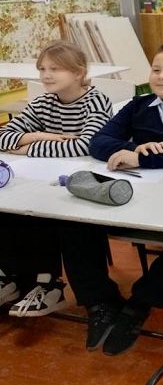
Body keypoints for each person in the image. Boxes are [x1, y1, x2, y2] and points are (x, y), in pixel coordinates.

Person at [59, 42, 163, 356]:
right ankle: (100, 301)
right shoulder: (138, 105)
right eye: (156, 69)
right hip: (139, 190)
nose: (162, 76)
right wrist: (131, 150)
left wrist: (144, 158)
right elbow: (99, 142)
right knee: (73, 221)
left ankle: (140, 303)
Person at [0, 41, 112, 317]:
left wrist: (25, 147)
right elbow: (3, 137)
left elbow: (84, 145)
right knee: (10, 209)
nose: (46, 75)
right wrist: (41, 135)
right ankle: (13, 278)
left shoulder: (96, 101)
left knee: (45, 215)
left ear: (78, 72)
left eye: (55, 69)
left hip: (78, 184)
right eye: (42, 69)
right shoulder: (43, 102)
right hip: (41, 178)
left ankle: (48, 283)